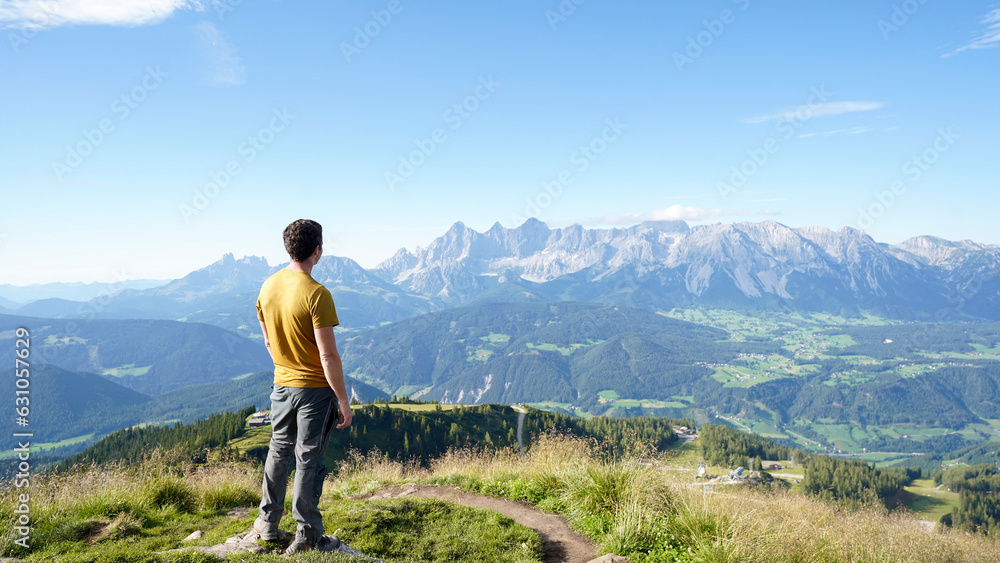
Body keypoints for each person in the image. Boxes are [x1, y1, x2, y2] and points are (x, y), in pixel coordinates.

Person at [252, 219, 353, 555]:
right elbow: (328, 355)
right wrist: (342, 398)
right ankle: (307, 535)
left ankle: (267, 525)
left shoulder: (267, 286)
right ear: (317, 250)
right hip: (313, 390)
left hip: (281, 385)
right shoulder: (317, 293)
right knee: (308, 459)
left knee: (279, 450)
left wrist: (285, 364)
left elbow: (267, 340)